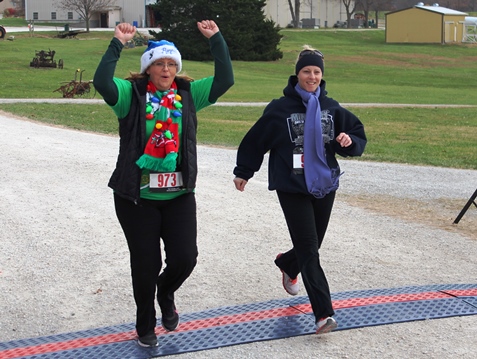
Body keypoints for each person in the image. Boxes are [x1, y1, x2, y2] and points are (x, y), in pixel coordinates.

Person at [93, 21, 234, 347]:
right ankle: (146, 325)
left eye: (171, 64)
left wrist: (216, 39)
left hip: (178, 194)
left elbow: (225, 79)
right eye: (160, 63)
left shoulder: (188, 95)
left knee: (185, 258)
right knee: (146, 263)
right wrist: (117, 43)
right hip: (135, 198)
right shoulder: (131, 95)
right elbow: (102, 82)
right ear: (148, 68)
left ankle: (166, 291)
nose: (166, 69)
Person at [233, 46, 366, 334]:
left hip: (324, 184)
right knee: (309, 249)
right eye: (307, 71)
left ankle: (286, 263)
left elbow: (357, 135)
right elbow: (256, 140)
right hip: (291, 185)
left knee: (313, 243)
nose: (312, 76)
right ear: (297, 74)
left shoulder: (331, 107)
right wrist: (244, 171)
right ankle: (323, 313)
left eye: (317, 72)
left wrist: (348, 141)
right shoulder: (280, 109)